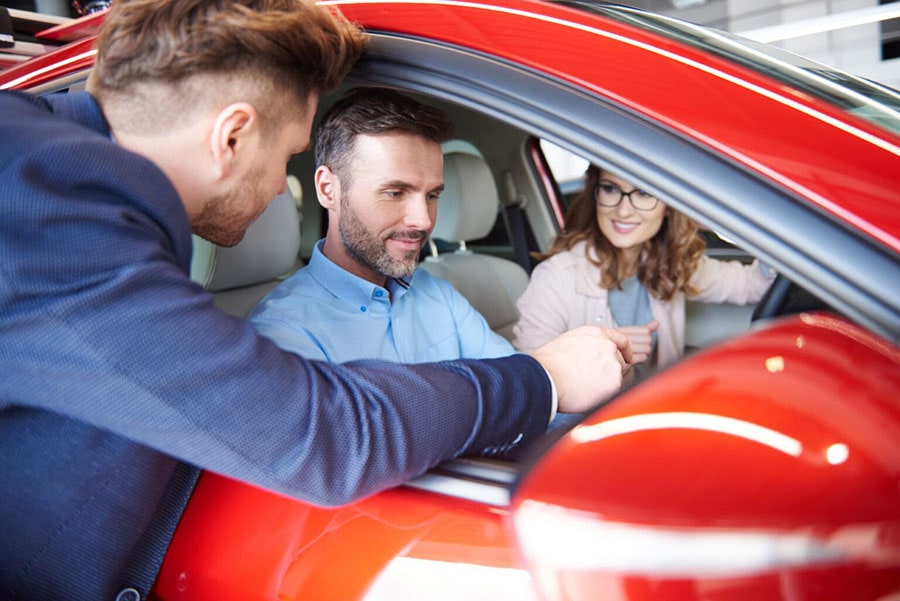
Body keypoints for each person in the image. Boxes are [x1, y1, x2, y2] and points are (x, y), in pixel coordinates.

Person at [0, 2, 632, 599]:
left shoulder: (52, 184)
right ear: (232, 137)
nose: (282, 186)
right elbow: (325, 431)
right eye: (289, 157)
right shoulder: (54, 216)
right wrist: (544, 377)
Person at [248, 87, 518, 363]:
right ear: (328, 190)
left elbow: (519, 386)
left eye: (432, 195)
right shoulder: (284, 334)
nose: (423, 220)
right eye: (395, 193)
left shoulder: (437, 293)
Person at [513, 165, 775, 375]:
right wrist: (604, 352)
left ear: (668, 207)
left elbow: (752, 285)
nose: (623, 210)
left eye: (644, 193)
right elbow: (528, 382)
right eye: (610, 189)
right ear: (596, 194)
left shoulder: (671, 262)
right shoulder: (556, 276)